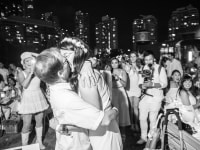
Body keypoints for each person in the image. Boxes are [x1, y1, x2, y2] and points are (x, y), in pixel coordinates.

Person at [34, 47, 121, 150]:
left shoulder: (54, 86)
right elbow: (104, 120)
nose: (70, 63)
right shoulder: (67, 99)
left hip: (70, 140)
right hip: (74, 145)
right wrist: (115, 109)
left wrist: (87, 63)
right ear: (60, 73)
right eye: (66, 61)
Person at [58, 37, 122, 150]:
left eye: (66, 55)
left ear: (78, 53)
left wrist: (64, 126)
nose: (63, 60)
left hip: (103, 133)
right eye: (61, 56)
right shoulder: (83, 73)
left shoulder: (85, 77)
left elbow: (94, 118)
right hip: (99, 130)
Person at [17, 52, 49, 149]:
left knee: (39, 121)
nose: (29, 62)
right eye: (27, 61)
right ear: (23, 63)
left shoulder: (38, 71)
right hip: (28, 99)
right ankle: (25, 146)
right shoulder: (21, 73)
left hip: (38, 97)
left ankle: (39, 142)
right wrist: (30, 73)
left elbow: (44, 59)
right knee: (27, 124)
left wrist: (34, 57)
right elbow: (24, 85)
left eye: (31, 60)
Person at [137, 50, 168, 144]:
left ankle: (151, 138)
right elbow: (140, 83)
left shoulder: (160, 68)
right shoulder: (145, 68)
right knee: (142, 118)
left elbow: (165, 84)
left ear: (154, 59)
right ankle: (143, 137)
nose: (148, 61)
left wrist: (153, 84)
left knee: (152, 119)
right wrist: (142, 86)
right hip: (145, 97)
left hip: (156, 97)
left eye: (150, 59)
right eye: (146, 60)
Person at [110, 57, 131, 142]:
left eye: (116, 62)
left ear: (118, 63)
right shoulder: (109, 72)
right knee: (114, 113)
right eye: (112, 63)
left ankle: (123, 134)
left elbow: (125, 84)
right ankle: (115, 134)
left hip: (121, 92)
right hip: (112, 93)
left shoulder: (123, 72)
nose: (114, 64)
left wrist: (118, 79)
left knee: (122, 113)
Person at [124, 51, 141, 132]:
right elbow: (126, 74)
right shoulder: (127, 66)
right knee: (131, 108)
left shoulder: (140, 66)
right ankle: (132, 124)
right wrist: (130, 68)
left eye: (134, 56)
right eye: (131, 56)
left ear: (137, 57)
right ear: (129, 58)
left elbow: (142, 77)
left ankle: (136, 123)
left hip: (137, 88)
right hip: (129, 89)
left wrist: (136, 71)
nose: (133, 58)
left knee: (136, 108)